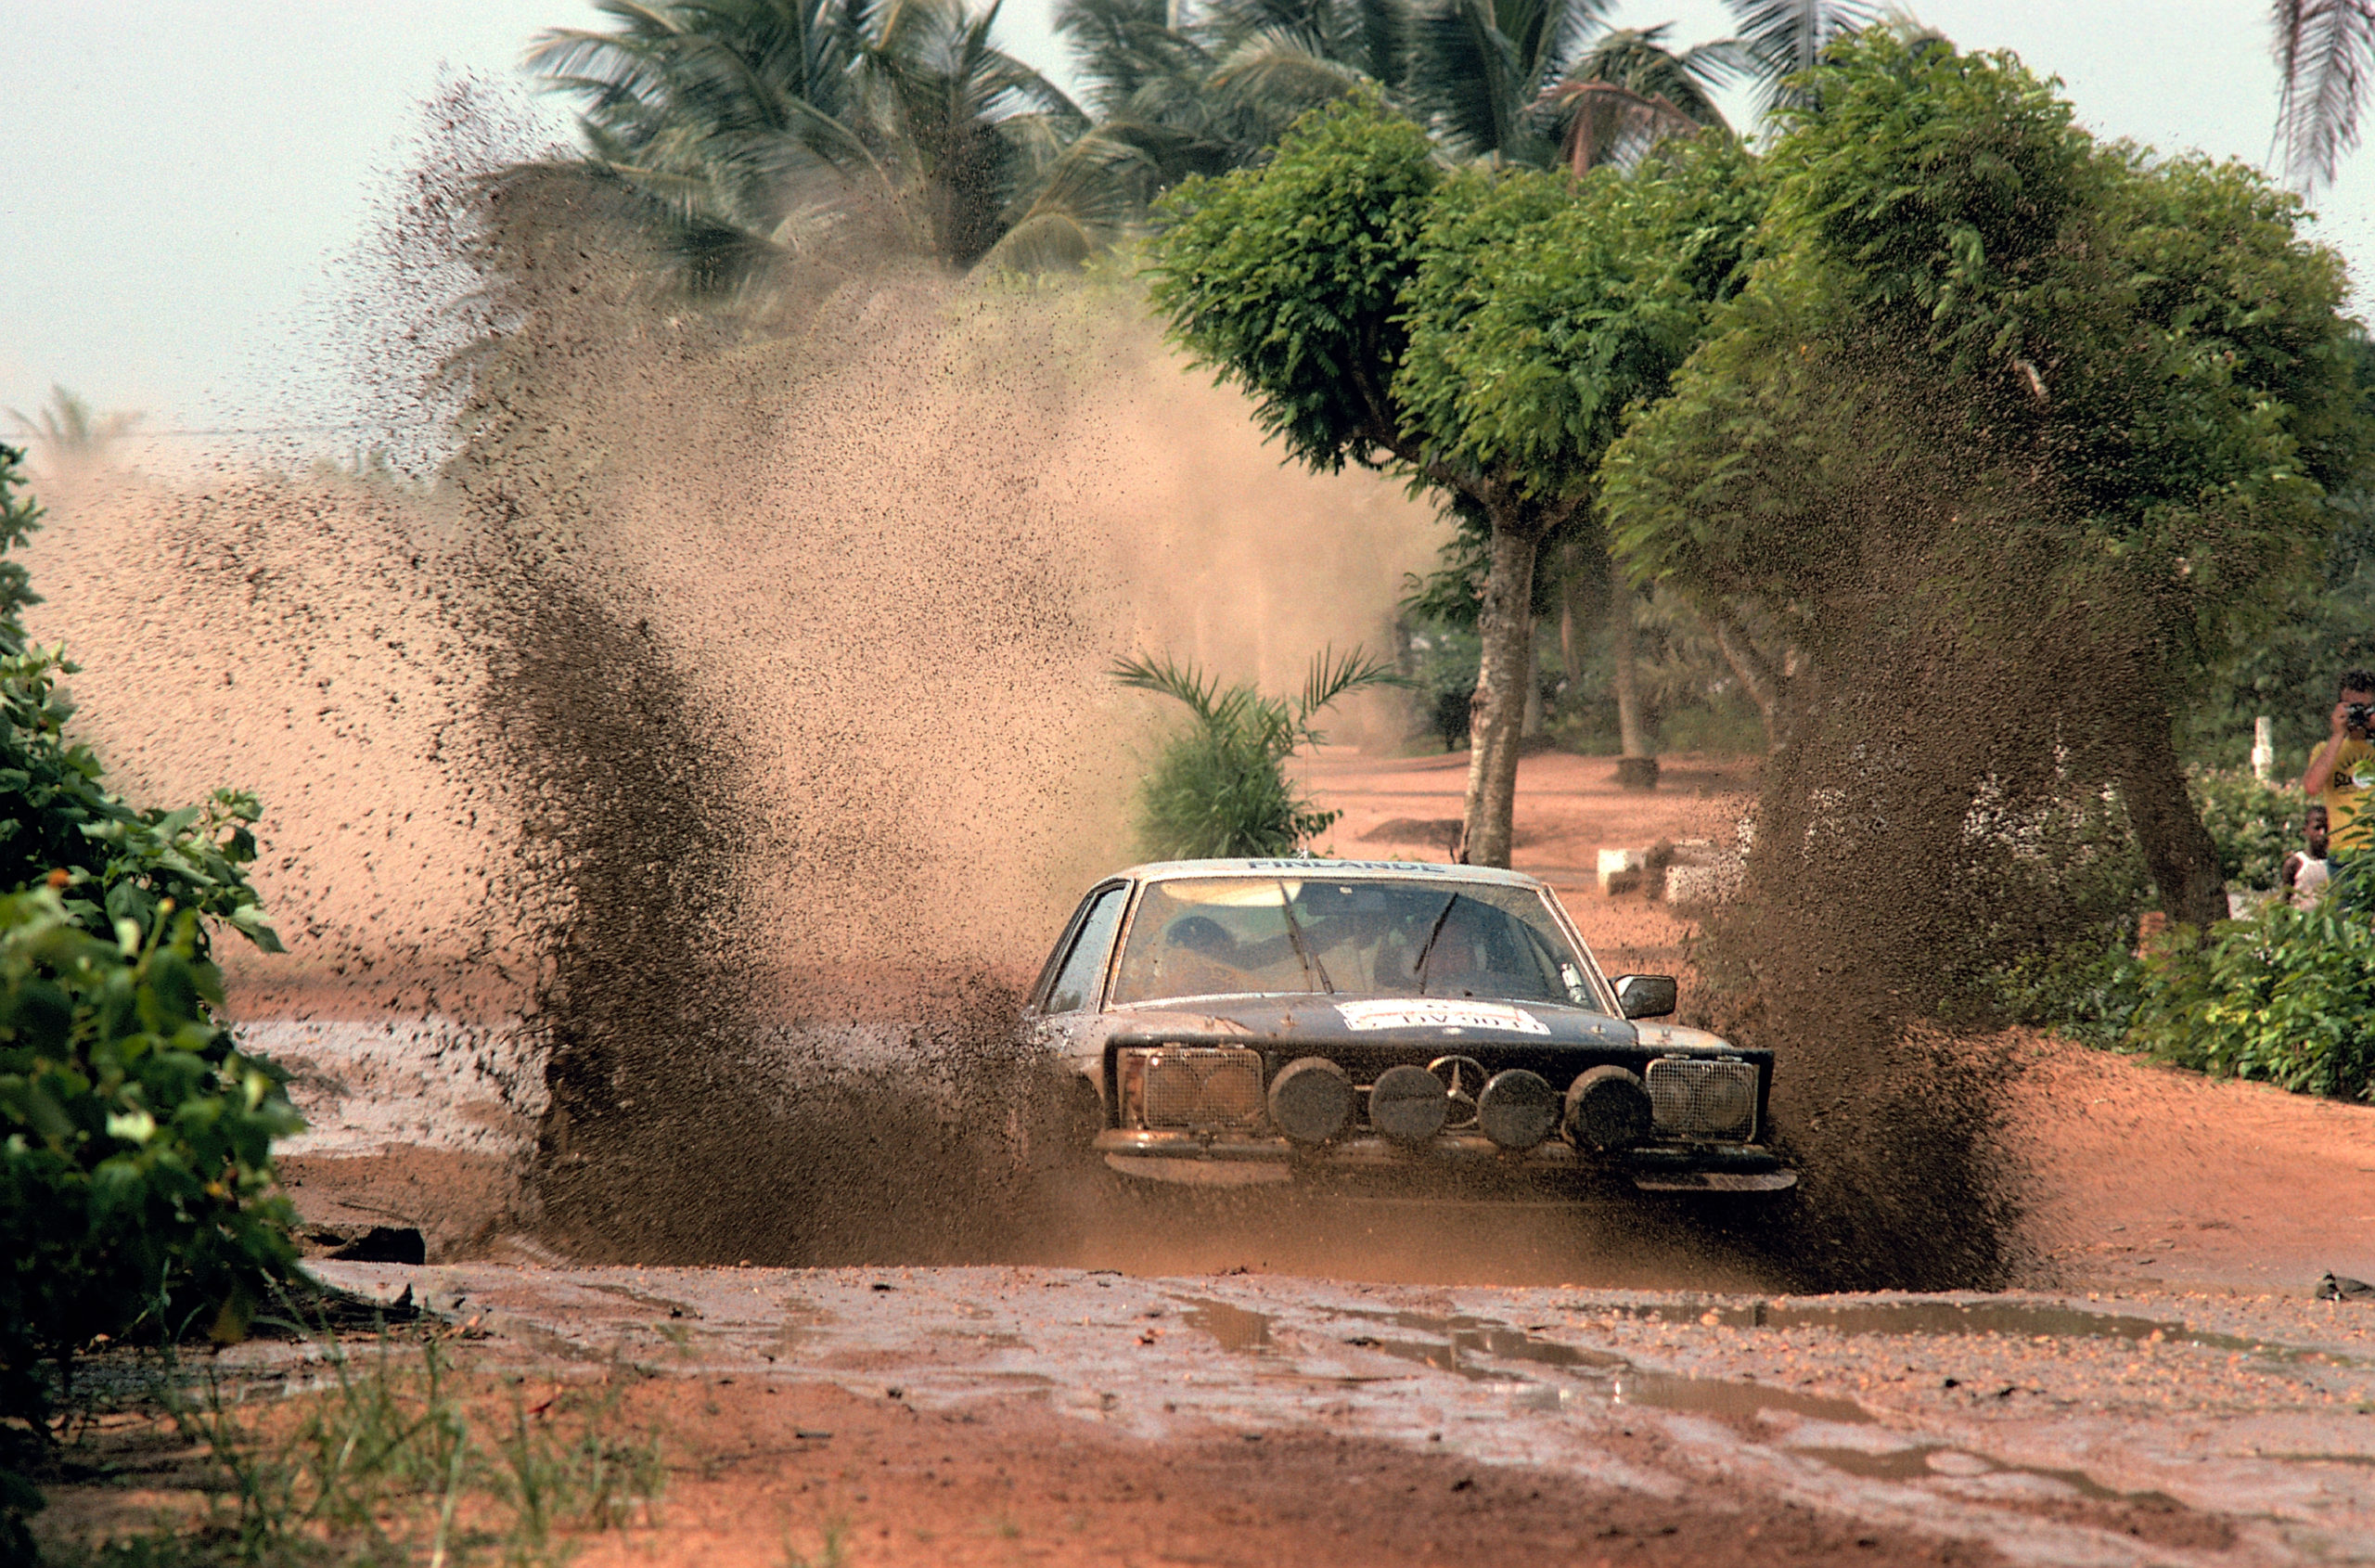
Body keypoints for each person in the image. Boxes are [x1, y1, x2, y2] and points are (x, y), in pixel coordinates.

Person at [2302, 670, 2375, 854]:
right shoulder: (2325, 750)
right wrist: (2338, 733)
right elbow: (2311, 787)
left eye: (2364, 709)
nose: (2358, 715)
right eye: (2351, 707)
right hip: (2343, 851)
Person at [2281, 804, 2331, 909]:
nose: (2322, 833)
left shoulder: (2336, 863)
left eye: (2327, 828)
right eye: (2317, 828)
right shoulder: (2296, 863)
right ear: (2305, 830)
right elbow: (2285, 900)